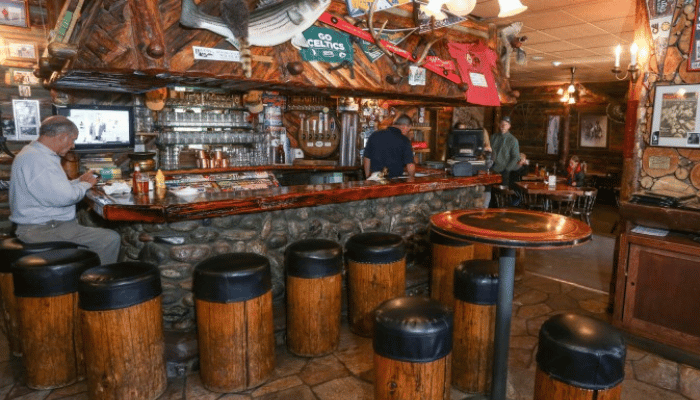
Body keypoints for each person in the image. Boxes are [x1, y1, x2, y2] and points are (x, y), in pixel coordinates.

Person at [9, 115, 121, 264]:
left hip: (42, 225)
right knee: (109, 239)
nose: (73, 145)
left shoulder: (33, 153)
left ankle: (82, 274)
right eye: (73, 139)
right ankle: (97, 283)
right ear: (62, 136)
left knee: (93, 235)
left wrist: (79, 181)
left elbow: (52, 189)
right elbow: (65, 197)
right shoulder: (39, 160)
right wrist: (87, 184)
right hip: (43, 229)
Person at [363, 114, 415, 179]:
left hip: (375, 179)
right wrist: (412, 178)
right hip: (394, 182)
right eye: (409, 128)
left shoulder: (375, 135)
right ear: (405, 126)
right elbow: (410, 165)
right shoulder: (404, 140)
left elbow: (367, 159)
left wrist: (367, 177)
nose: (408, 131)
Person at [491, 116, 520, 188]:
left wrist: (507, 170)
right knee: (490, 192)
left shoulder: (513, 140)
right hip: (492, 170)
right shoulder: (493, 137)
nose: (503, 126)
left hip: (504, 172)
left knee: (501, 194)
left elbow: (515, 157)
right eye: (502, 123)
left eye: (506, 124)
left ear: (509, 126)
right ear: (499, 125)